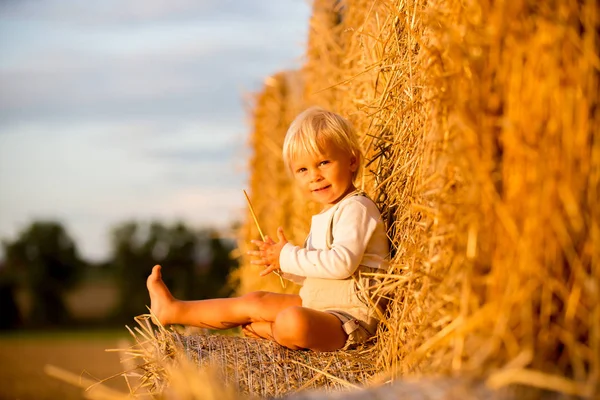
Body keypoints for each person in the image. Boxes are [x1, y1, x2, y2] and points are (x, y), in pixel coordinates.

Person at [147, 107, 389, 352]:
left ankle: (273, 332)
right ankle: (173, 309)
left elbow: (342, 264)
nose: (314, 176)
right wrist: (283, 265)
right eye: (303, 170)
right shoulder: (327, 214)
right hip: (320, 305)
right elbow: (319, 272)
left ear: (352, 160)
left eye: (323, 163)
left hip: (350, 320)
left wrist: (287, 256)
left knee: (293, 320)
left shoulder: (357, 207)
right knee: (255, 300)